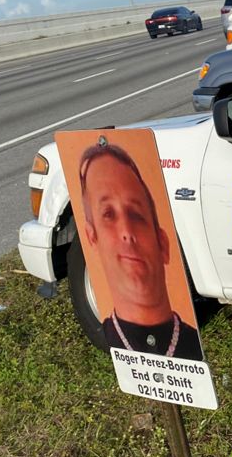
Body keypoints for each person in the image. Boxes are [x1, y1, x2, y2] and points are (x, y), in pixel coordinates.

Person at [79, 139, 203, 360]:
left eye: (136, 215)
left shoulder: (192, 343)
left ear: (163, 242)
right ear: (92, 238)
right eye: (108, 214)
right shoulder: (111, 340)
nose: (126, 232)